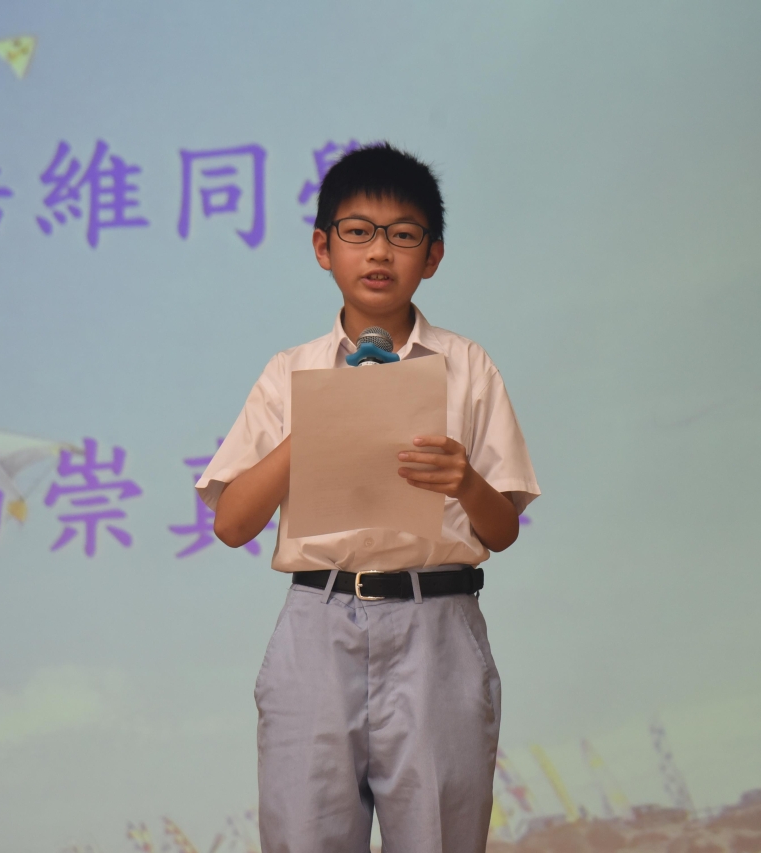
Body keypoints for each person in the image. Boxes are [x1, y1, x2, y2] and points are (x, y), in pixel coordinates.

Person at [195, 143, 540, 852]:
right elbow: (231, 523)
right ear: (323, 247)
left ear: (432, 256)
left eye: (403, 235)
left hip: (437, 622)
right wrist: (322, 421)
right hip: (318, 623)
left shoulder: (467, 365)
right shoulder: (289, 372)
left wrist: (464, 480)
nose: (379, 251)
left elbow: (502, 529)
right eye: (358, 232)